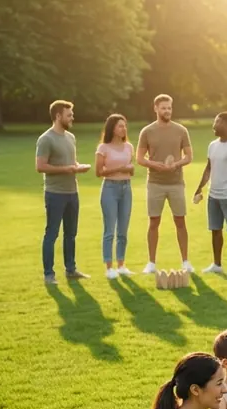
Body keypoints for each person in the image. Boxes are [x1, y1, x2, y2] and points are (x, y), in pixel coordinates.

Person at [35, 100, 91, 284]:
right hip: (55, 193)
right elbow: (40, 166)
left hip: (72, 192)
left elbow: (71, 162)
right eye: (69, 114)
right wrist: (67, 169)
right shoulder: (46, 139)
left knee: (71, 233)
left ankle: (71, 269)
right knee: (52, 234)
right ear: (58, 116)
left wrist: (78, 166)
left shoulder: (71, 137)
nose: (72, 117)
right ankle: (49, 275)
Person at [136, 94, 193, 274]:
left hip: (176, 183)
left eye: (169, 108)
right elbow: (139, 158)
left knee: (180, 221)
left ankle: (185, 262)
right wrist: (155, 165)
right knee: (154, 222)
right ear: (156, 109)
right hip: (155, 183)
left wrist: (175, 164)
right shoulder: (147, 132)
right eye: (163, 108)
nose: (167, 111)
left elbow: (189, 156)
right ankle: (151, 263)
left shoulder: (181, 130)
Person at [195, 110, 227, 277]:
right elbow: (209, 168)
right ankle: (217, 264)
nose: (215, 125)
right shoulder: (213, 145)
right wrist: (200, 187)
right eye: (215, 121)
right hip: (214, 195)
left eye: (219, 122)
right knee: (215, 229)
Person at [95, 113, 135, 279]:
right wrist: (119, 169)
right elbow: (99, 172)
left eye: (124, 125)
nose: (123, 128)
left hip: (126, 188)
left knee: (123, 230)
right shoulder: (103, 148)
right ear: (112, 128)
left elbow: (131, 169)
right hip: (110, 188)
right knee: (109, 230)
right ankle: (109, 267)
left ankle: (121, 265)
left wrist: (128, 169)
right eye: (120, 125)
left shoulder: (129, 147)